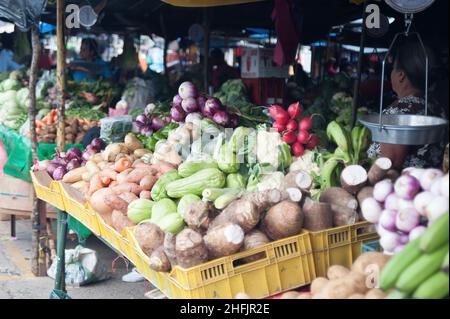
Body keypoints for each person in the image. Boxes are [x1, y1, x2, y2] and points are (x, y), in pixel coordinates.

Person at [367, 40, 447, 169]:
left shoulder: (399, 112)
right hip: (429, 184)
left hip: (401, 186)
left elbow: (388, 165)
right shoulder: (435, 105)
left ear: (401, 75)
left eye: (393, 69)